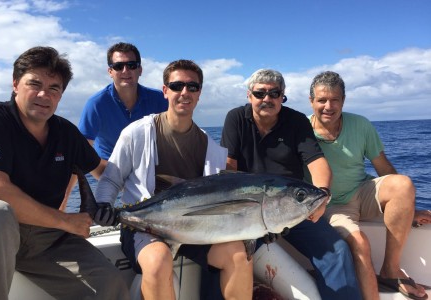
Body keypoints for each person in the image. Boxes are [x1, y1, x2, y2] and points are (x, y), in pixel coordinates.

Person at [0, 46, 129, 300]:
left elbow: (104, 170)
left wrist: (139, 193)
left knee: (110, 285)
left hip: (45, 237)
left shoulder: (64, 132)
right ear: (15, 84)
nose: (44, 94)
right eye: (35, 84)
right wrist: (66, 221)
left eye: (54, 88)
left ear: (61, 96)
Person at [94, 59, 253, 300]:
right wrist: (104, 205)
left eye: (193, 87)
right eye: (177, 86)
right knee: (158, 261)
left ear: (200, 94)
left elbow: (219, 203)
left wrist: (258, 226)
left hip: (194, 229)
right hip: (144, 226)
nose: (185, 92)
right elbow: (110, 180)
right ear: (165, 91)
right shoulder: (137, 133)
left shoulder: (210, 147)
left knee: (239, 256)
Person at [221, 68, 361, 299]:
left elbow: (317, 162)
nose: (267, 99)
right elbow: (229, 167)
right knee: (232, 256)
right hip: (248, 211)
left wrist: (322, 196)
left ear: (282, 96)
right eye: (260, 93)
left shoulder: (295, 120)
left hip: (292, 207)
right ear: (249, 95)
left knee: (337, 251)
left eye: (274, 94)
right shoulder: (236, 118)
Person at [308, 70, 428, 300]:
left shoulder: (360, 124)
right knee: (360, 243)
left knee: (402, 184)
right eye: (322, 100)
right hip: (330, 205)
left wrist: (408, 210)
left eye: (335, 99)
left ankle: (391, 270)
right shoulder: (301, 130)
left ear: (343, 100)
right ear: (311, 101)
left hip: (362, 192)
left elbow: (383, 167)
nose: (328, 106)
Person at [79, 42, 168, 160]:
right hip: (110, 170)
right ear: (110, 71)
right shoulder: (96, 104)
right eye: (118, 66)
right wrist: (105, 176)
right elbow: (81, 150)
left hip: (152, 170)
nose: (125, 70)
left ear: (140, 70)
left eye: (131, 65)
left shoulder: (160, 99)